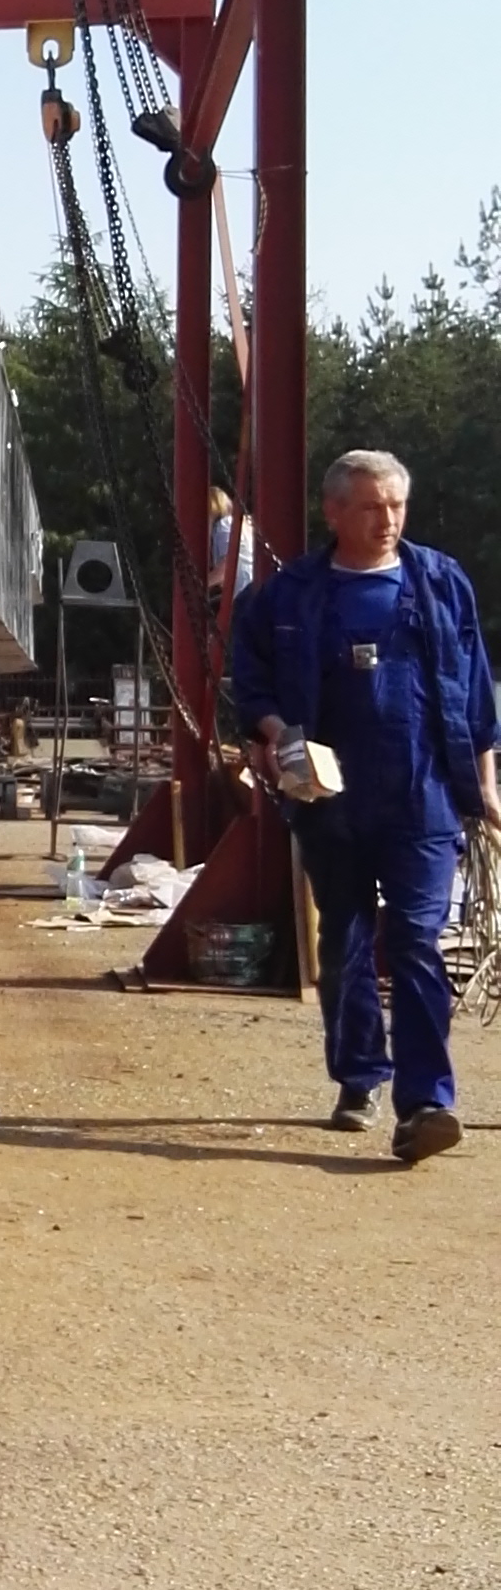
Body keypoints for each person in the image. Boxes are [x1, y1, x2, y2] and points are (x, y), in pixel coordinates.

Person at [229, 449, 501, 1160]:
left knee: (416, 941)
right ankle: (359, 1078)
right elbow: (250, 682)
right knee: (345, 940)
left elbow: (475, 693)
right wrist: (276, 734)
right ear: (334, 511)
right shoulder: (288, 596)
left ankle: (427, 1103)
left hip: (423, 796)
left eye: (397, 506)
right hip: (331, 800)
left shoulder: (441, 582)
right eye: (373, 507)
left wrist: (486, 787)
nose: (388, 520)